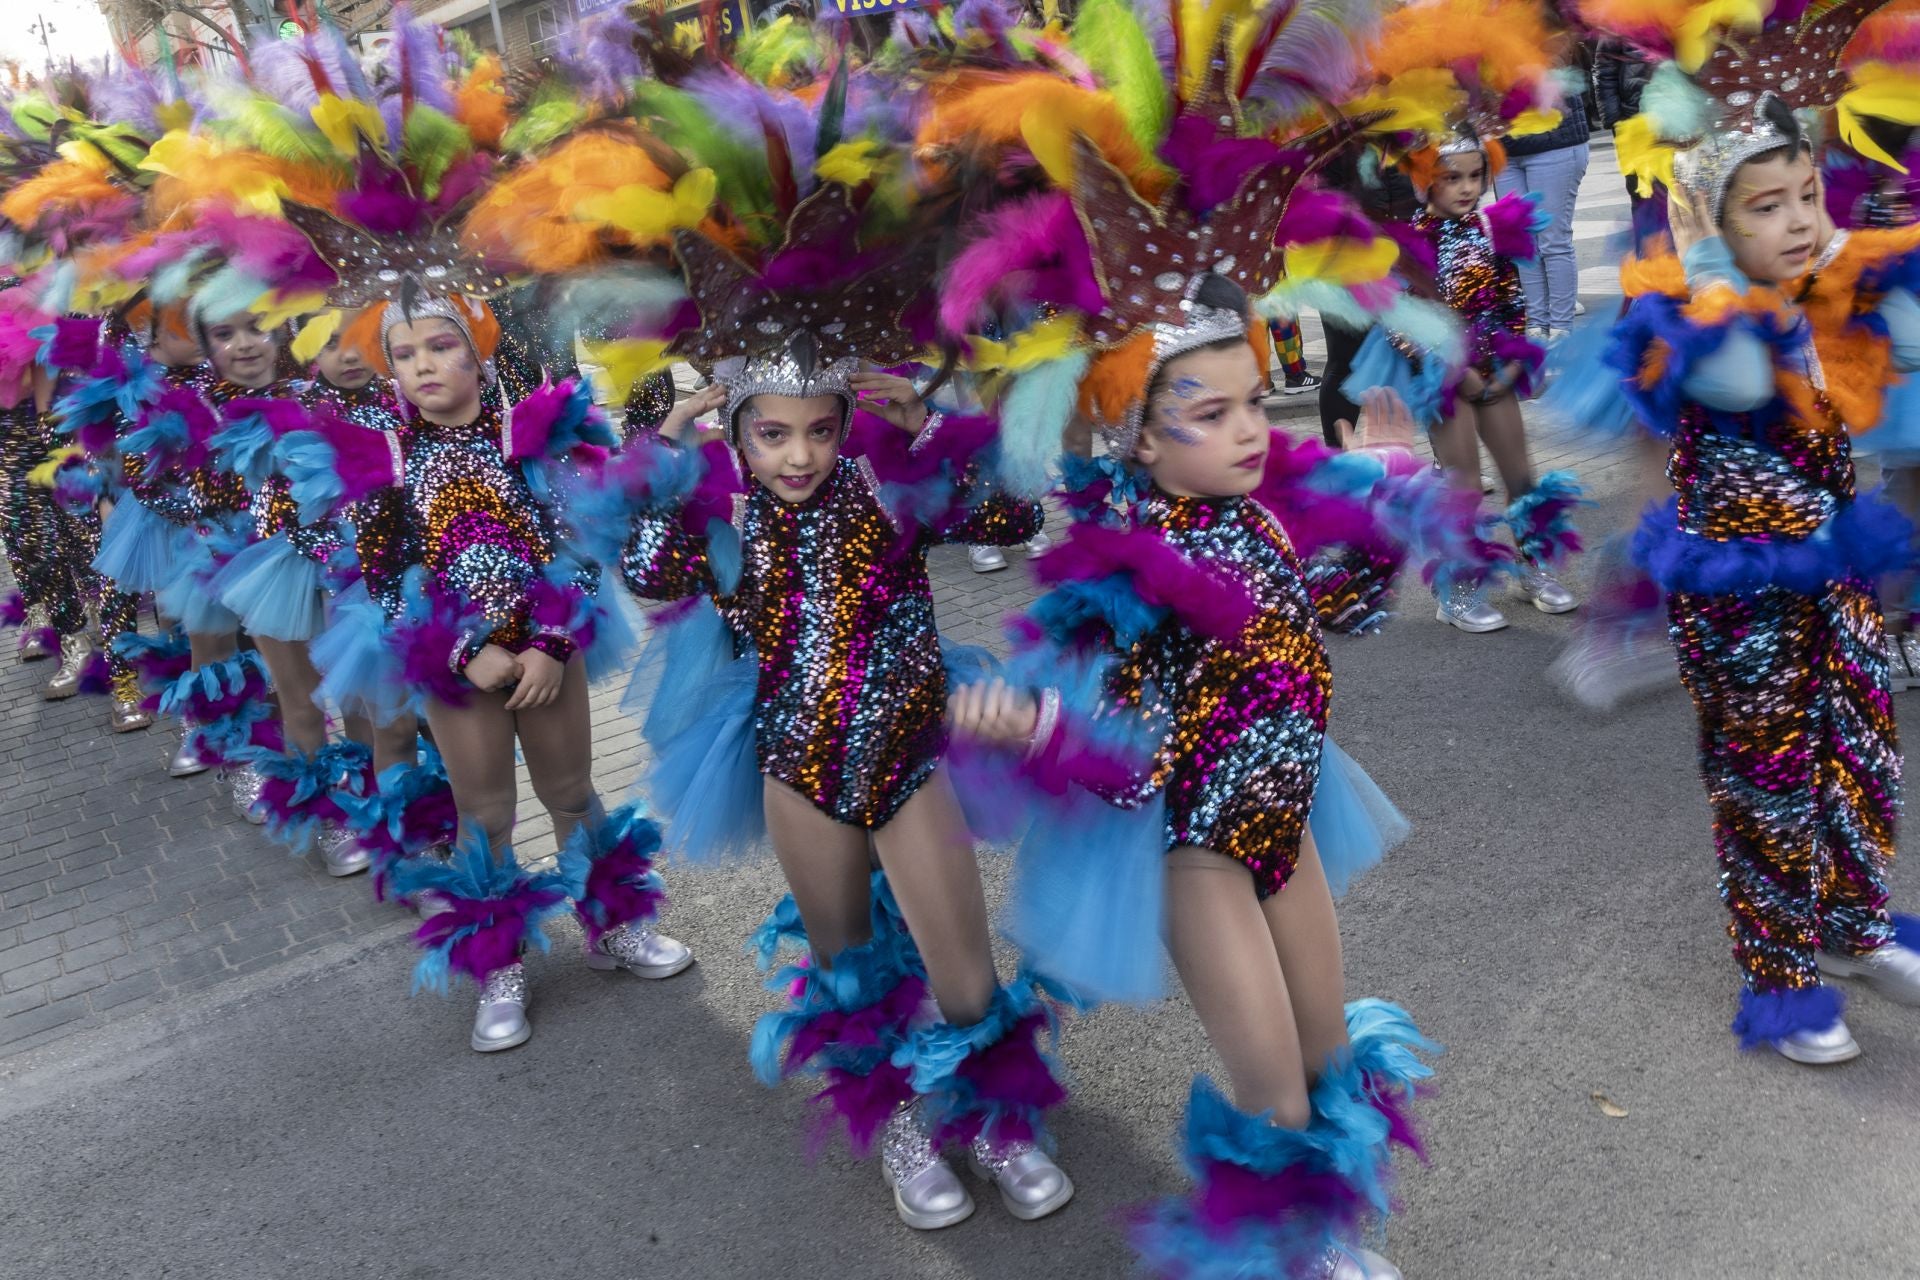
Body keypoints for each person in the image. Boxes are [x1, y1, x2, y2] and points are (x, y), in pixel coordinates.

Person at [547, 75, 1076, 1228]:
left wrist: (932, 425)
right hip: (798, 768)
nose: (798, 454)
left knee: (963, 969)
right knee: (844, 971)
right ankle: (898, 1121)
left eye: (820, 430)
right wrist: (664, 448)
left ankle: (989, 1108)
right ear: (738, 431)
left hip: (911, 752)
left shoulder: (890, 494)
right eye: (772, 433)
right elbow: (645, 568)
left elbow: (1014, 515)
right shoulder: (724, 525)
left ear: (848, 424)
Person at [1577, 0, 1920, 1064]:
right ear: (1711, 223)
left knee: (1864, 750)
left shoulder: (1825, 282)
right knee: (1767, 777)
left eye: (1809, 194)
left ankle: (1857, 923)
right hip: (1739, 596)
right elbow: (1732, 373)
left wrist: (1868, 282)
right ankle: (1780, 976)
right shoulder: (1699, 314)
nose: (1801, 219)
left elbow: (1899, 347)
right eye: (1767, 205)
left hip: (1835, 571)